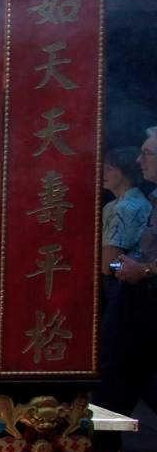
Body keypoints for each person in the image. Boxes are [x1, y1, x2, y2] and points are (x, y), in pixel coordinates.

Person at [98, 129, 157, 416]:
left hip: (134, 293)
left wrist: (141, 266)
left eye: (147, 153)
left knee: (121, 370)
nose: (140, 159)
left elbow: (108, 263)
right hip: (136, 292)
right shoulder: (125, 203)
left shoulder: (129, 206)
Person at [101, 147, 151, 275]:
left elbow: (109, 266)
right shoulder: (112, 205)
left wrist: (138, 266)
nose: (103, 173)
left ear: (128, 173)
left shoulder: (126, 207)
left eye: (109, 169)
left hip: (124, 285)